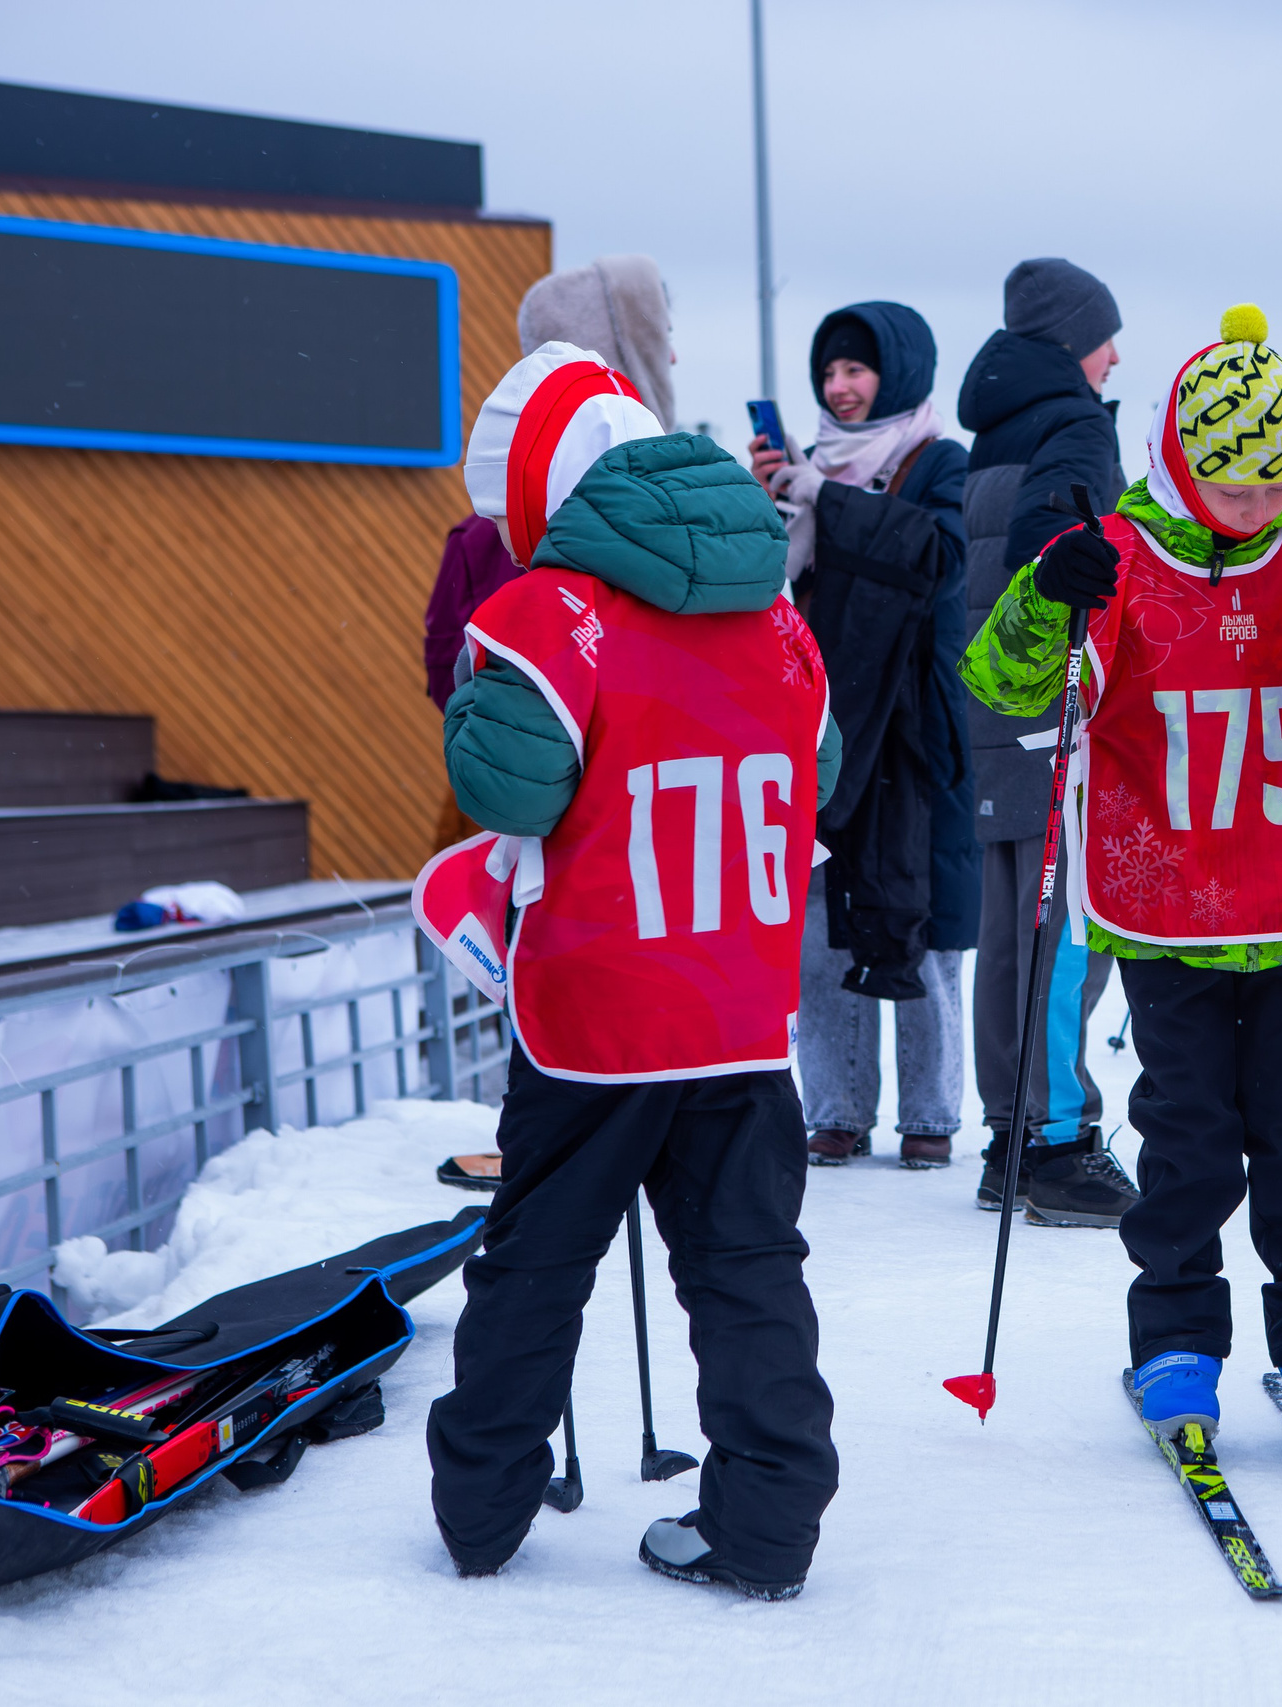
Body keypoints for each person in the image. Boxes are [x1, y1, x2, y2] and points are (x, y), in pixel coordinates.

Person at [960, 304, 1282, 1443]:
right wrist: (1050, 598)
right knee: (1187, 1142)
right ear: (1180, 463)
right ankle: (1178, 1339)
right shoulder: (1119, 559)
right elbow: (1002, 687)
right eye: (1231, 489)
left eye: (1274, 485)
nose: (1257, 509)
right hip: (1168, 917)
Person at [425, 344, 839, 1599]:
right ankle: (768, 1523)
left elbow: (504, 789)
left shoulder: (546, 616)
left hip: (597, 1014)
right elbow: (818, 766)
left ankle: (483, 1509)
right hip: (742, 1008)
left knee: (537, 1263)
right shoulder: (776, 612)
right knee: (748, 1266)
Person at [425, 256, 676, 1194]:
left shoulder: (491, 526)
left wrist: (485, 711)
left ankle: (558, 1130)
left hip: (559, 818)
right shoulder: (692, 527)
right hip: (630, 827)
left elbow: (445, 658)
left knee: (557, 973)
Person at [752, 302, 974, 1169]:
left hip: (917, 738)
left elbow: (939, 556)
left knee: (926, 928)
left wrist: (826, 498)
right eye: (830, 373)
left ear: (901, 372)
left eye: (857, 370)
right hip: (827, 727)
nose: (840, 388)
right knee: (821, 929)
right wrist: (777, 505)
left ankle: (931, 1114)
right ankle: (836, 1107)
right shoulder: (811, 474)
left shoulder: (937, 460)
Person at [954, 258, 1137, 1227]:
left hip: (991, 703)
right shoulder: (1075, 426)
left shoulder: (989, 430)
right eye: (1106, 337)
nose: (1117, 356)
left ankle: (1010, 1133)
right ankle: (1059, 1139)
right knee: (1067, 924)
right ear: (1073, 342)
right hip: (1049, 699)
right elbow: (1057, 553)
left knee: (1008, 922)